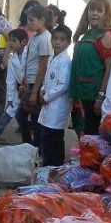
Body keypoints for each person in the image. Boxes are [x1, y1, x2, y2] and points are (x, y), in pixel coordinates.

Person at [68, 0, 111, 136]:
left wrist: (101, 96)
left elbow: (110, 68)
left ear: (106, 14)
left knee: (93, 136)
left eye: (99, 10)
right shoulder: (86, 34)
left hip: (93, 96)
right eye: (92, 9)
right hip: (79, 95)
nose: (94, 13)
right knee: (81, 132)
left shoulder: (107, 35)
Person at [16, 4, 52, 146]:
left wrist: (34, 91)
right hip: (29, 81)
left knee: (33, 118)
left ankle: (34, 148)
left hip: (37, 83)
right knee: (24, 115)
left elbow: (43, 67)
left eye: (32, 20)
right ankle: (30, 145)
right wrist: (24, 80)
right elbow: (29, 60)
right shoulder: (36, 37)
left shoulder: (45, 38)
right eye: (28, 20)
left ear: (42, 20)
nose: (28, 23)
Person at [38, 25, 73, 166]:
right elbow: (48, 78)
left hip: (57, 106)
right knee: (46, 135)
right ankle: (48, 162)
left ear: (68, 43)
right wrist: (42, 89)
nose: (57, 42)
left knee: (54, 138)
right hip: (49, 104)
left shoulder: (65, 61)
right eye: (55, 39)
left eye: (62, 40)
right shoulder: (53, 58)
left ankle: (55, 165)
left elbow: (62, 85)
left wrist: (46, 97)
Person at [0, 29, 27, 141]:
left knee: (29, 115)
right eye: (9, 41)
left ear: (23, 42)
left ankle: (30, 139)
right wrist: (11, 98)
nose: (10, 43)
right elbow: (11, 80)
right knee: (10, 109)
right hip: (20, 89)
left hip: (32, 87)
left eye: (14, 41)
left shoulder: (30, 54)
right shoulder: (12, 59)